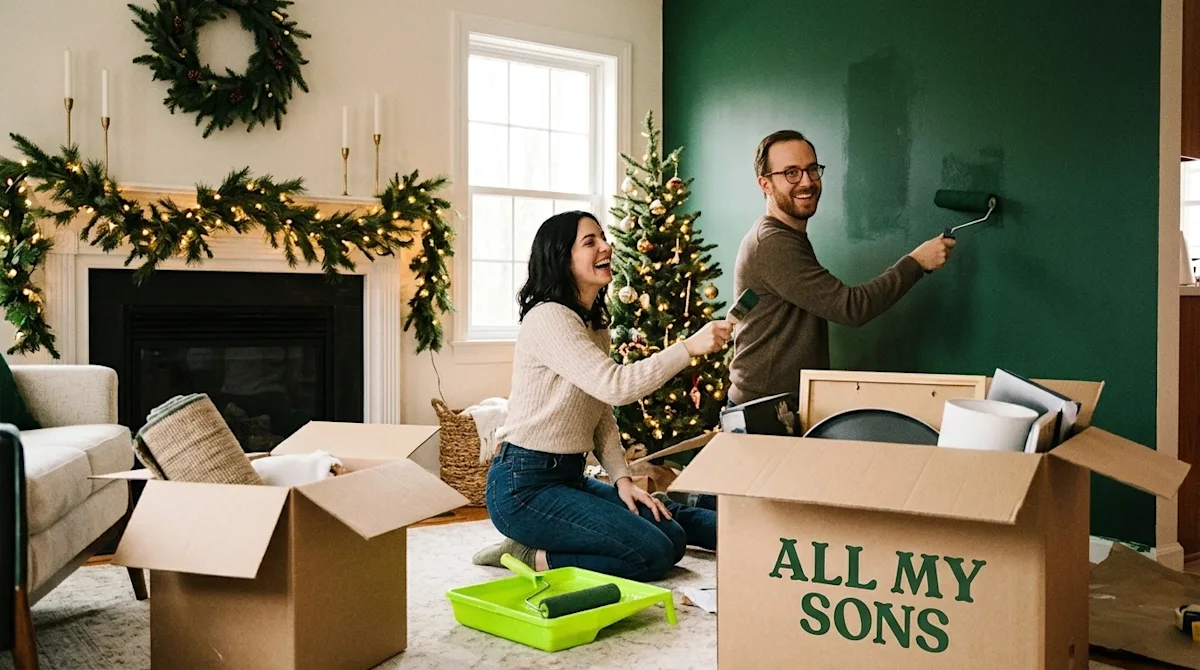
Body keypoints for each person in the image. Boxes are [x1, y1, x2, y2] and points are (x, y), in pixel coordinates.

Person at [471, 210, 732, 581]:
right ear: (562, 258)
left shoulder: (593, 323)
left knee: (671, 535)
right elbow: (617, 386)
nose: (605, 246)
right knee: (651, 555)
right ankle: (530, 555)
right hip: (523, 486)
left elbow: (601, 410)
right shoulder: (548, 318)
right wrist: (687, 348)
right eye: (589, 242)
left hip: (569, 477)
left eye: (603, 238)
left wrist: (623, 480)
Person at [727, 130, 955, 406]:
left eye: (812, 169)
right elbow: (852, 307)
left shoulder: (785, 236)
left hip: (780, 406)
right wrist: (916, 263)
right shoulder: (773, 244)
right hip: (763, 414)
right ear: (765, 184)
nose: (807, 182)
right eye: (791, 173)